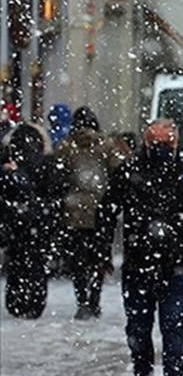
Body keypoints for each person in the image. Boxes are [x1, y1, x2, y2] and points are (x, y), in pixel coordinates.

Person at [101, 119, 183, 376]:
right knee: (140, 328)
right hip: (141, 263)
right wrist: (102, 252)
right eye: (157, 143)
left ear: (176, 143)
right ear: (146, 143)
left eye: (167, 143)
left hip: (174, 263)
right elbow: (107, 212)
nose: (162, 148)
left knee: (172, 326)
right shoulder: (131, 173)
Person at [52, 107, 122, 319]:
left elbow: (57, 175)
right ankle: (95, 299)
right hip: (100, 210)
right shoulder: (106, 146)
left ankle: (82, 299)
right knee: (98, 258)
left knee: (78, 260)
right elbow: (118, 172)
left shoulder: (67, 146)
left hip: (74, 211)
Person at [1, 123, 63, 318]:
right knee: (36, 262)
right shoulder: (46, 162)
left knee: (17, 261)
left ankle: (16, 301)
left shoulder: (12, 163)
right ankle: (34, 302)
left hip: (17, 219)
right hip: (38, 220)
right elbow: (55, 189)